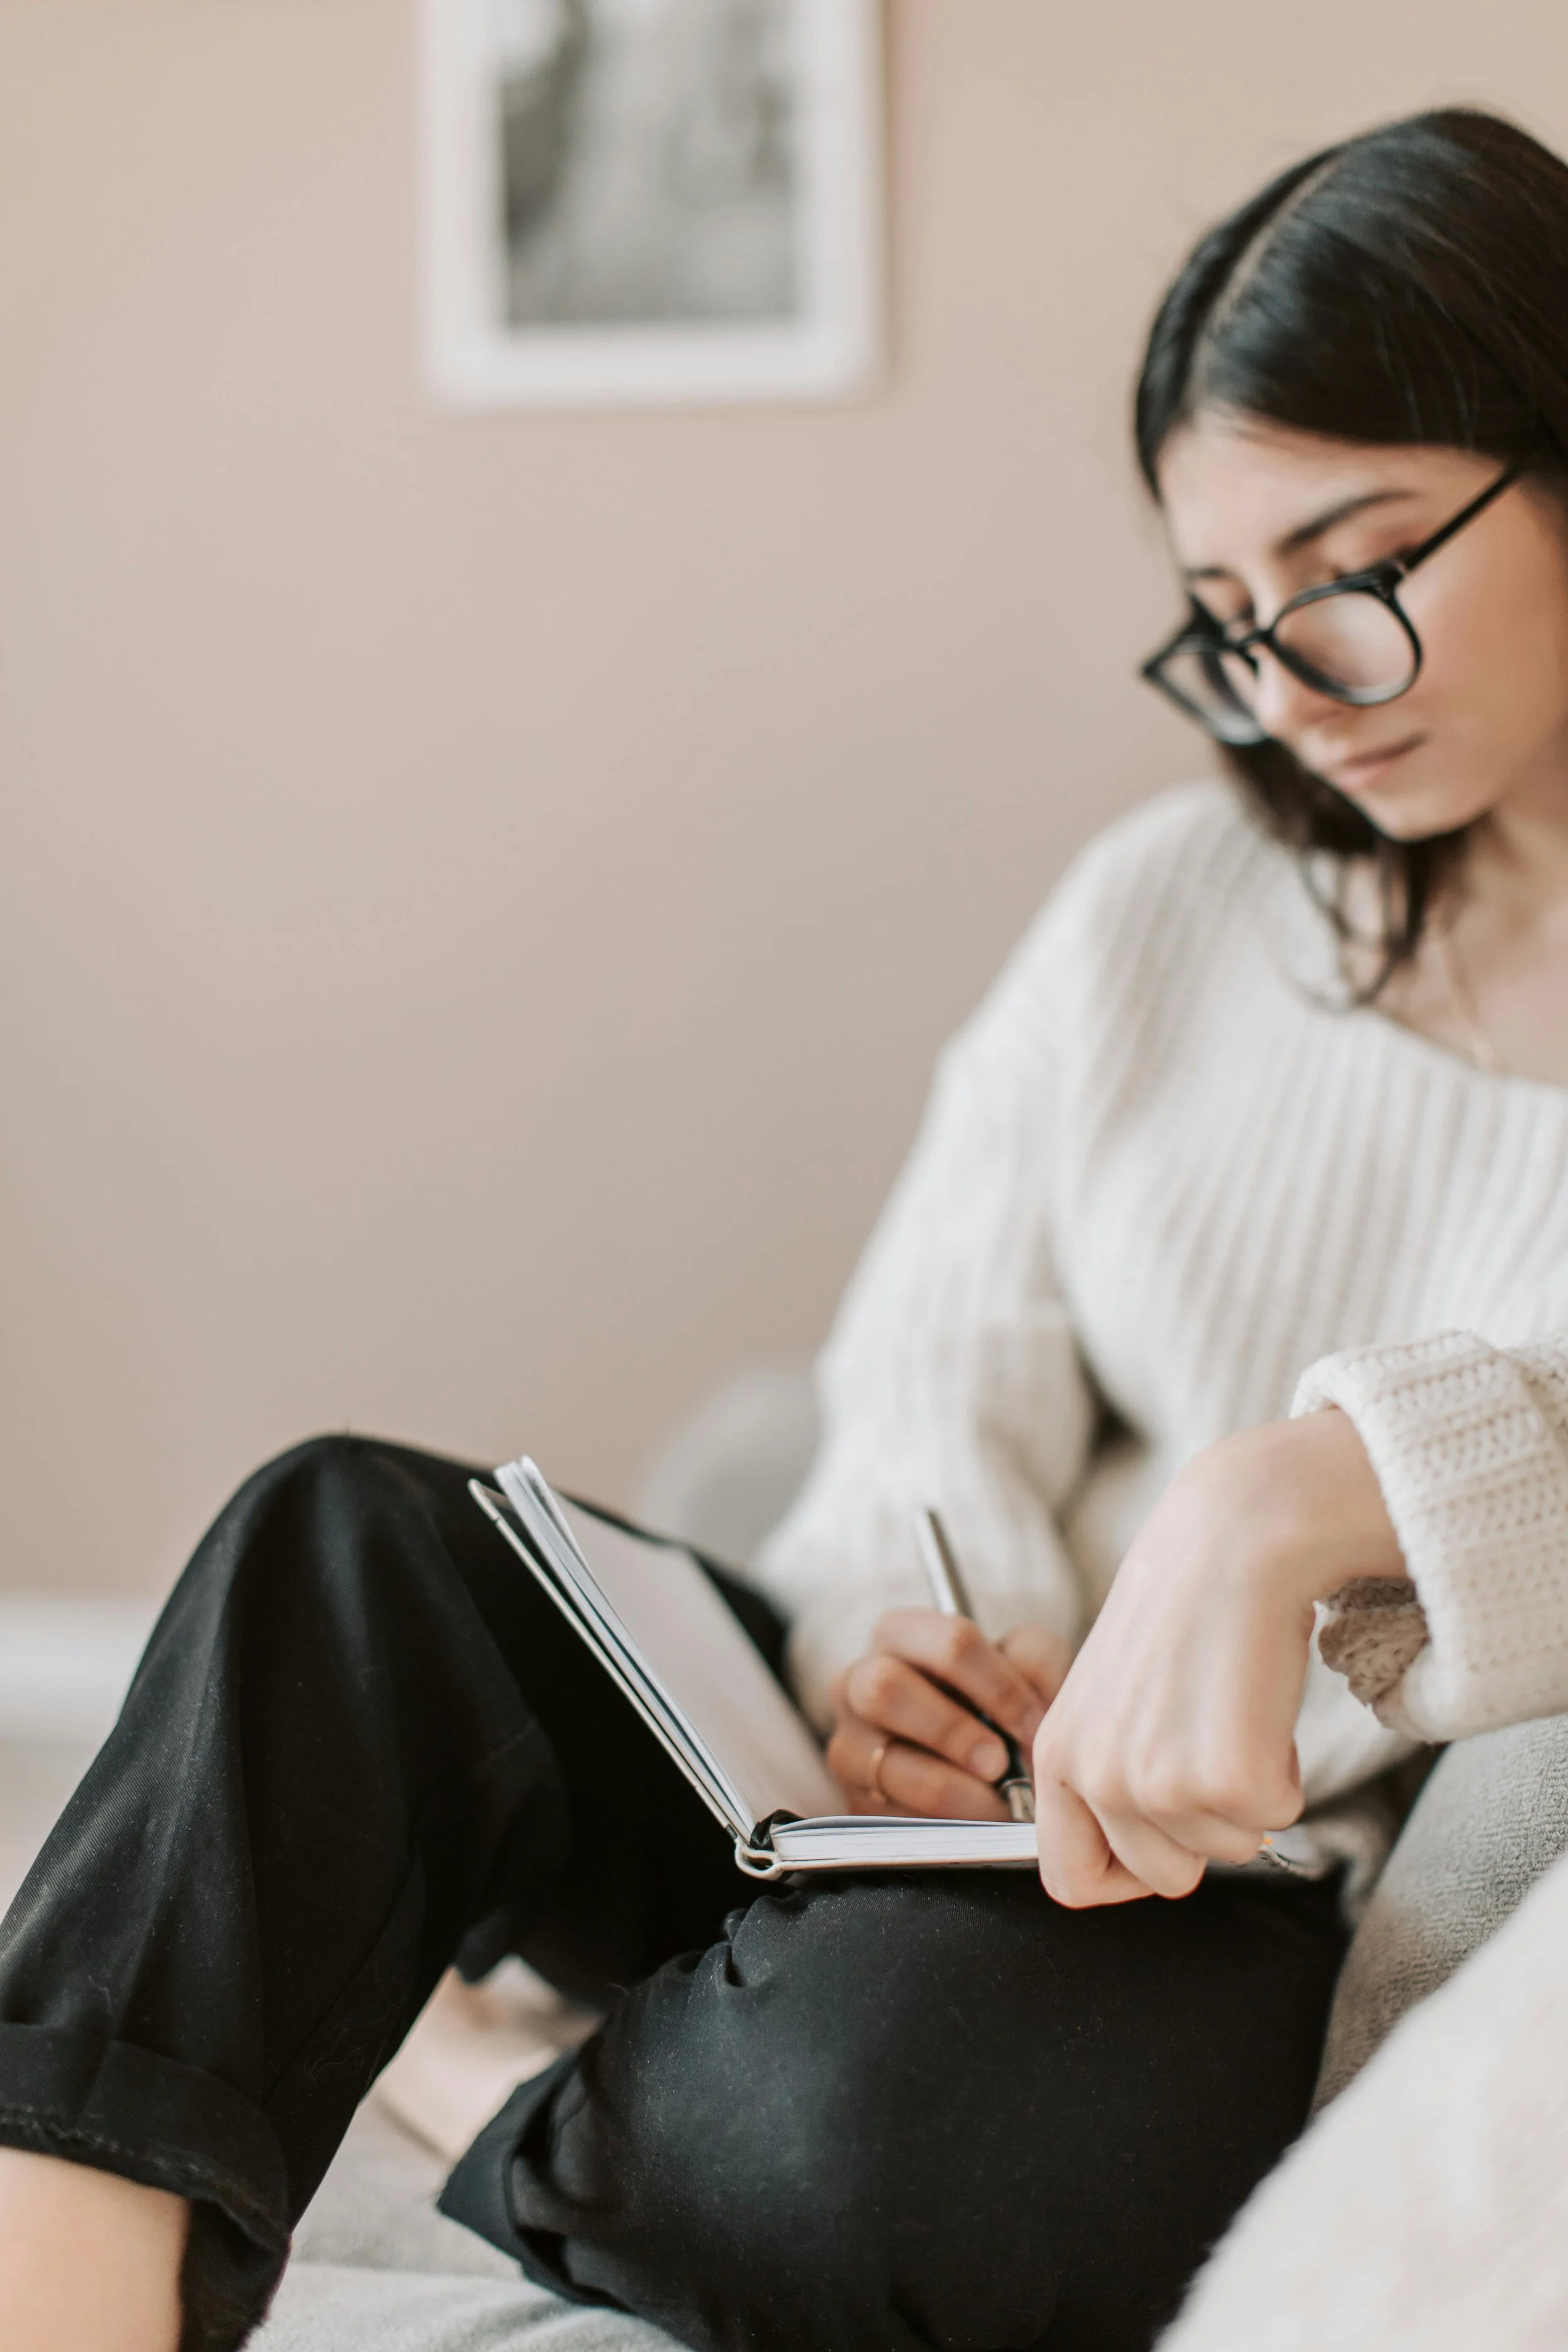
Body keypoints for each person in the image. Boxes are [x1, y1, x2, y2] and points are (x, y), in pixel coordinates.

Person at [7, 100, 1568, 2352]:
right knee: (336, 1547)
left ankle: (503, 2086)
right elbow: (933, 1367)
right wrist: (899, 1652)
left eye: (1352, 569)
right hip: (901, 1809)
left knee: (876, 2119)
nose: (1280, 689)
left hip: (1224, 1917)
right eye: (1223, 619)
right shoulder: (1165, 916)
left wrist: (1300, 1496)